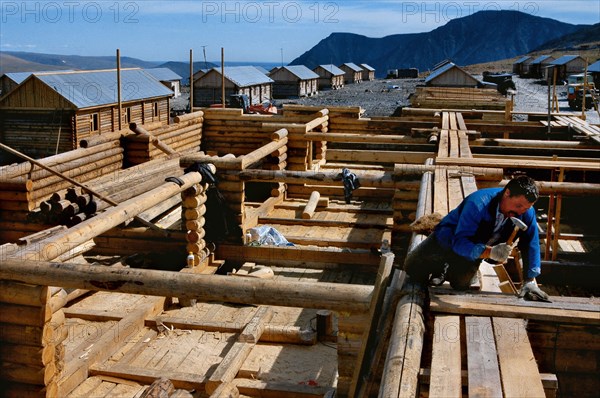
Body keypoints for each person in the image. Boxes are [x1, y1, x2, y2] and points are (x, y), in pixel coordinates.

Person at [403, 175, 550, 301]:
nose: (521, 212)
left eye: (526, 208)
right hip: (448, 239)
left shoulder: (526, 212)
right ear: (507, 193)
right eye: (518, 206)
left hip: (476, 249)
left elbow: (531, 244)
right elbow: (459, 242)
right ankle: (439, 268)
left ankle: (450, 271)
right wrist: (489, 252)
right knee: (413, 268)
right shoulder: (478, 204)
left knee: (460, 284)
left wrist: (530, 280)